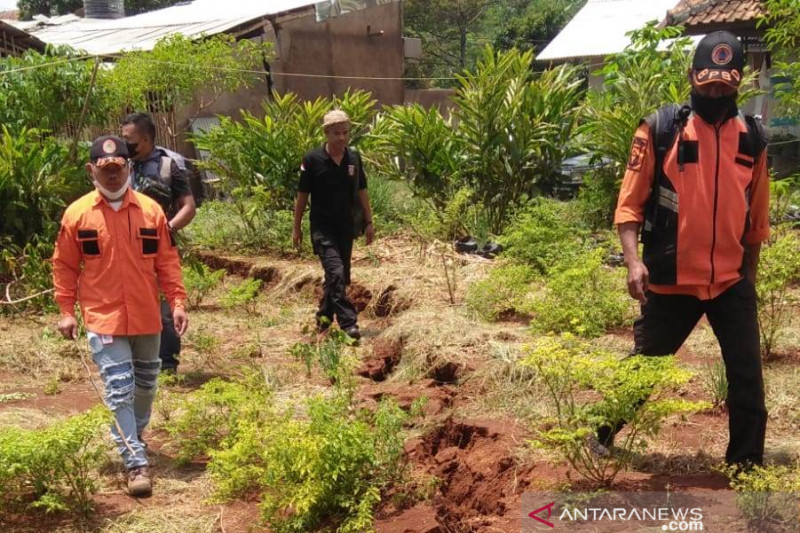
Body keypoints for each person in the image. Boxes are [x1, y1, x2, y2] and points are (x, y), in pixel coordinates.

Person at [605, 31, 770, 468]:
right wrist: (634, 262)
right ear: (692, 76)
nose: (715, 92)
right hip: (673, 279)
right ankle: (601, 431)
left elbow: (756, 223)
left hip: (730, 281)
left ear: (738, 83)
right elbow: (628, 206)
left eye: (725, 84)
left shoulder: (752, 138)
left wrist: (748, 282)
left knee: (747, 378)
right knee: (645, 368)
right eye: (707, 82)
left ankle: (746, 463)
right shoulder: (660, 129)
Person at [53, 135, 188, 497]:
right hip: (103, 317)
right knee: (119, 389)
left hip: (146, 316)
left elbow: (167, 262)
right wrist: (67, 311)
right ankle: (135, 461)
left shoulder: (151, 211)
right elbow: (65, 266)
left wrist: (177, 302)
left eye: (118, 168)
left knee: (146, 385)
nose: (112, 175)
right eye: (105, 169)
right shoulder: (77, 215)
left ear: (129, 166)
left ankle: (131, 434)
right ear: (91, 169)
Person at [121, 113, 196, 373]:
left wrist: (168, 227)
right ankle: (134, 362)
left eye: (129, 140)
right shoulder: (121, 165)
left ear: (145, 139)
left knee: (166, 306)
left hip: (159, 247)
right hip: (125, 248)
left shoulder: (169, 166)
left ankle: (166, 365)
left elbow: (188, 207)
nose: (125, 144)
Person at [293, 110, 375, 340]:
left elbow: (362, 191)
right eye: (336, 133)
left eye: (345, 133)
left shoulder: (354, 158)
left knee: (339, 277)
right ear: (326, 133)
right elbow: (302, 196)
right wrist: (296, 227)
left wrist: (369, 221)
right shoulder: (312, 160)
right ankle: (349, 324)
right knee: (336, 272)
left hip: (346, 227)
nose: (341, 137)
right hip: (322, 227)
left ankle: (323, 321)